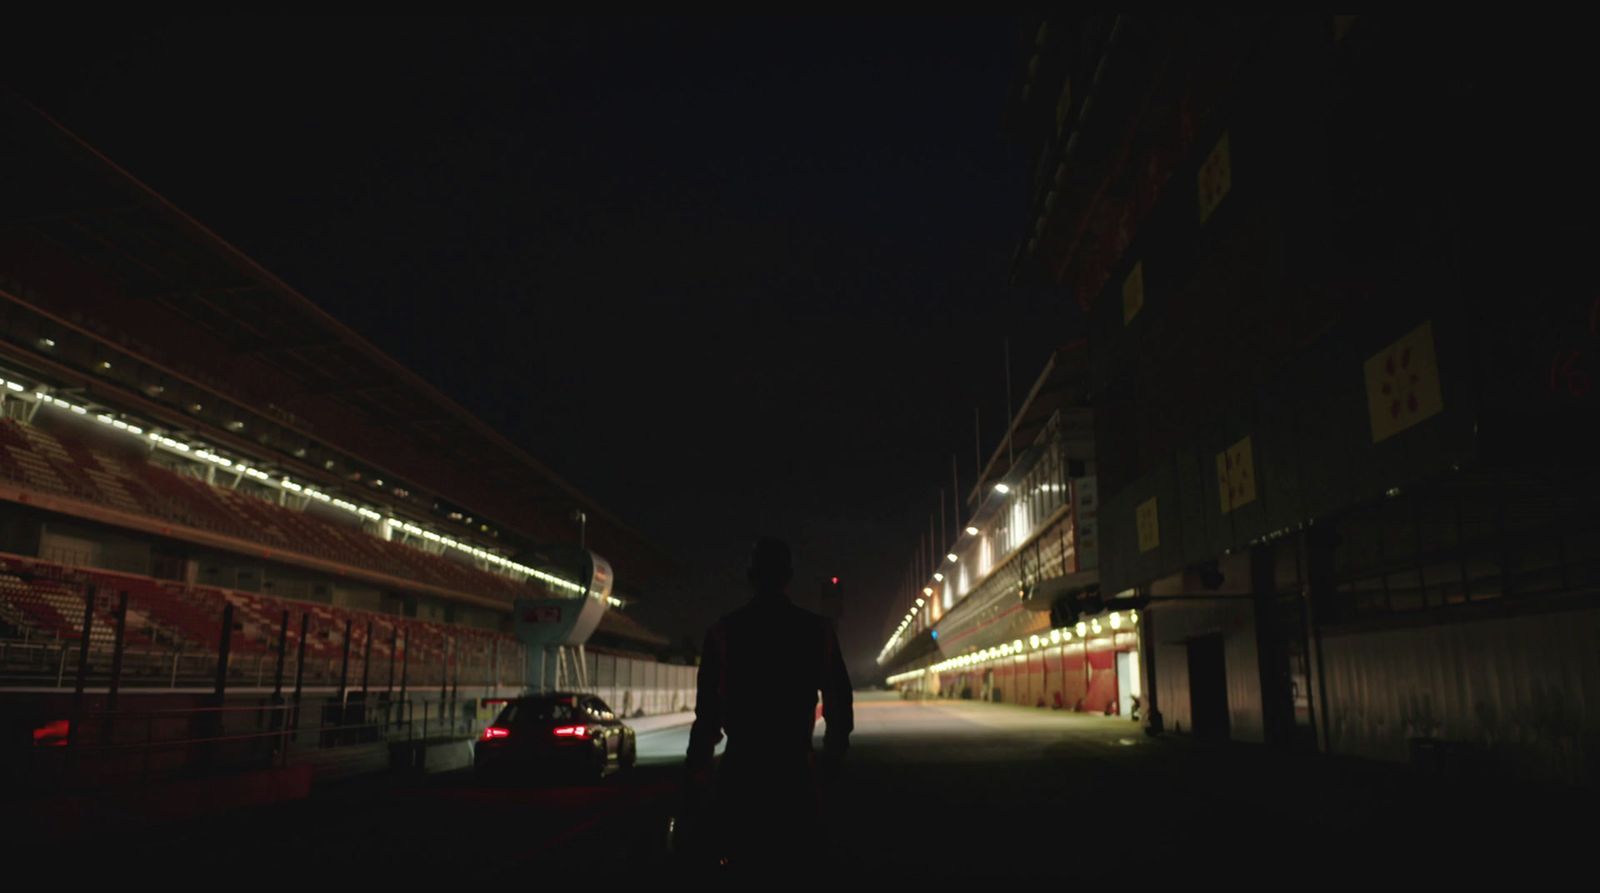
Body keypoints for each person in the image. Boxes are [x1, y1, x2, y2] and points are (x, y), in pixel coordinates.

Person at [683, 536, 853, 870]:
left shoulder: (723, 632)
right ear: (788, 576)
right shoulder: (816, 631)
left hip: (742, 773)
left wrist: (696, 772)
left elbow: (707, 716)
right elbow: (839, 699)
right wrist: (833, 756)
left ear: (750, 576)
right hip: (795, 773)